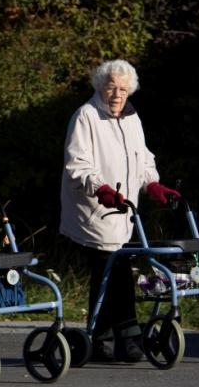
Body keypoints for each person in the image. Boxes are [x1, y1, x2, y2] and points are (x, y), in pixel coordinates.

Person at [59, 59, 181, 363]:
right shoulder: (86, 116)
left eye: (123, 89)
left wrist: (152, 184)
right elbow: (77, 165)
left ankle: (100, 339)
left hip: (123, 210)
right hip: (93, 209)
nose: (117, 94)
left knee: (108, 270)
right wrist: (100, 188)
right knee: (115, 267)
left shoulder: (131, 118)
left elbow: (143, 157)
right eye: (112, 87)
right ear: (100, 86)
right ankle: (128, 336)